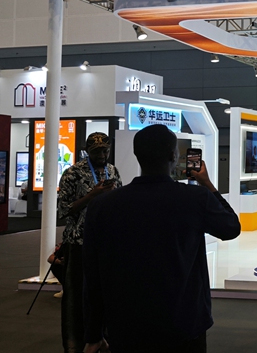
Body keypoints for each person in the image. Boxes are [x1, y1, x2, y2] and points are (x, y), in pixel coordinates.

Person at [82, 125, 240, 353]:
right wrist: (208, 184)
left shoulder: (102, 206)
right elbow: (231, 228)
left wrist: (93, 334)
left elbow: (92, 274)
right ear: (174, 156)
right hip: (184, 324)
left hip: (126, 326)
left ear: (137, 155)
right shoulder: (195, 199)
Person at [57, 132, 122, 353]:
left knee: (105, 295)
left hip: (107, 243)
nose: (102, 155)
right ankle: (75, 342)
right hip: (79, 243)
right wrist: (91, 196)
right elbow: (62, 210)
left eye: (106, 150)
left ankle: (101, 337)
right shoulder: (72, 174)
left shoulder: (113, 171)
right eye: (97, 152)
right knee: (77, 297)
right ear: (87, 152)